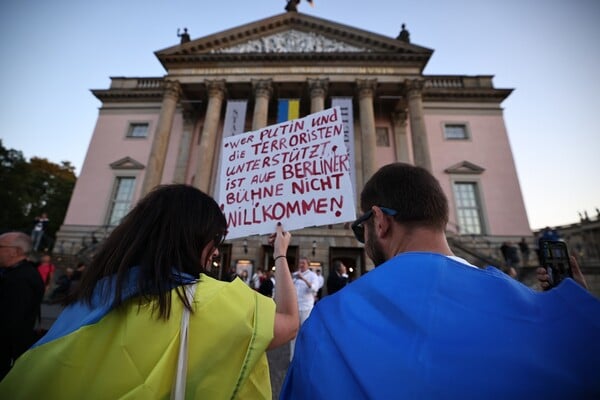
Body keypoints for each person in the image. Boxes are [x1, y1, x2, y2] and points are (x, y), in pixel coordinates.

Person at [281, 162, 600, 399]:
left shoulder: (329, 321)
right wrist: (573, 313)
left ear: (379, 221)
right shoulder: (564, 324)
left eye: (360, 227)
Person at [0, 184, 298, 398]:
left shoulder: (94, 294)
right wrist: (280, 253)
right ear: (194, 238)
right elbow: (288, 320)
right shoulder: (212, 300)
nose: (217, 252)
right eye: (215, 240)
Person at [0, 232, 45, 380]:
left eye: (1, 246)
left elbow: (11, 320)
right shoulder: (18, 273)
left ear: (16, 251)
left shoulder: (21, 278)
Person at [289, 256, 318, 361]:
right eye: (300, 263)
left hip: (306, 308)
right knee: (293, 333)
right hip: (296, 307)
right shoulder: (295, 275)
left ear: (308, 264)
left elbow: (314, 288)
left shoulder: (312, 275)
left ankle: (306, 357)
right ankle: (292, 358)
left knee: (305, 332)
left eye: (303, 263)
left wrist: (304, 279)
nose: (301, 265)